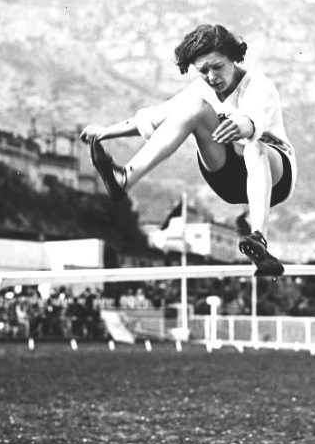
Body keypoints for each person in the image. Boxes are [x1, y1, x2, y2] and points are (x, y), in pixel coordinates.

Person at [79, 24, 296, 277]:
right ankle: (125, 177)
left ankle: (259, 238)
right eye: (203, 71)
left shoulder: (259, 86)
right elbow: (153, 117)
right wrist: (105, 132)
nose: (212, 77)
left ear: (233, 58)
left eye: (218, 67)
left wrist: (243, 126)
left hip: (273, 176)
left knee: (254, 146)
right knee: (193, 107)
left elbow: (253, 122)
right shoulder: (202, 90)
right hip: (228, 177)